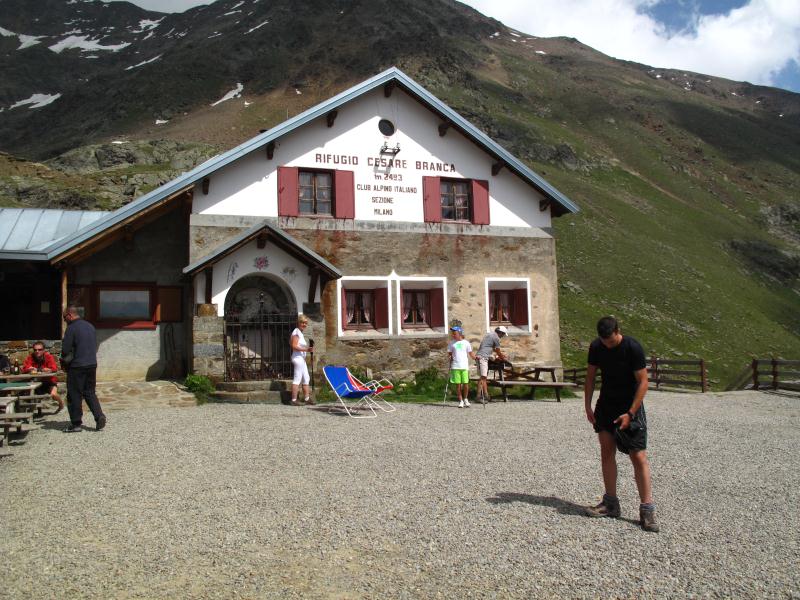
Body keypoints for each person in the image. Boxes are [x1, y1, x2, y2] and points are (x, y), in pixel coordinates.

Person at [584, 316, 658, 532]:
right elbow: (590, 377)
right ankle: (610, 503)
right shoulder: (596, 347)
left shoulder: (632, 347)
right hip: (606, 405)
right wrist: (588, 407)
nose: (607, 344)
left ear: (618, 331)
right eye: (604, 341)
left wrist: (631, 412)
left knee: (638, 456)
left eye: (611, 340)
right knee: (607, 452)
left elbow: (643, 382)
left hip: (630, 406)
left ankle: (647, 509)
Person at [61, 305, 106, 432]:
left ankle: (76, 424)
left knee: (74, 394)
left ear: (70, 315)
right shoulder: (90, 326)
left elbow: (65, 349)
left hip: (77, 366)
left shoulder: (71, 328)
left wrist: (65, 358)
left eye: (65, 318)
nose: (65, 321)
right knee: (90, 392)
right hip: (91, 363)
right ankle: (99, 416)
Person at [22, 341, 64, 413]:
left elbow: (54, 368)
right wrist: (29, 369)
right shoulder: (30, 357)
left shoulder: (48, 356)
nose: (37, 351)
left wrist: (49, 370)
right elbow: (24, 368)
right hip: (36, 381)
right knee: (26, 392)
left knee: (53, 394)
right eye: (35, 350)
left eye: (39, 349)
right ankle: (31, 411)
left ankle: (61, 405)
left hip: (49, 381)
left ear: (44, 350)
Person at [475, 326, 508, 403]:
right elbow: (497, 350)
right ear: (500, 332)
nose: (502, 336)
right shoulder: (496, 337)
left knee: (483, 377)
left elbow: (489, 347)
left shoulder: (489, 335)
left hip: (481, 356)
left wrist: (499, 355)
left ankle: (486, 396)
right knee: (483, 377)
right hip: (482, 357)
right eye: (503, 335)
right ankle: (479, 397)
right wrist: (503, 358)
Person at [448, 325, 476, 408]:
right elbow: (449, 354)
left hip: (464, 366)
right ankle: (460, 401)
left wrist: (476, 358)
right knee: (458, 385)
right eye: (452, 333)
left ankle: (466, 399)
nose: (453, 335)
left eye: (454, 333)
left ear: (460, 333)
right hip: (455, 366)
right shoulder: (451, 343)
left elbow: (471, 354)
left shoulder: (466, 343)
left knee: (466, 384)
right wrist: (450, 357)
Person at [289, 314, 314, 406]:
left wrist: (307, 349)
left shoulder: (299, 332)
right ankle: (294, 400)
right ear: (298, 323)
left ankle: (307, 399)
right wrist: (306, 350)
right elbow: (294, 346)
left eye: (305, 323)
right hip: (298, 358)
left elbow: (294, 344)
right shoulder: (296, 332)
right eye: (302, 322)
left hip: (301, 359)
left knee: (306, 378)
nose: (304, 324)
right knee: (297, 378)